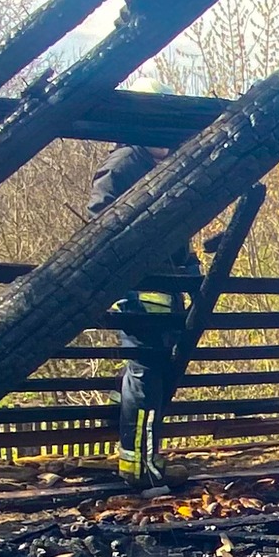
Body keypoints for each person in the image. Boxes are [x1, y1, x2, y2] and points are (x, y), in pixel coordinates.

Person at [86, 143, 200, 483]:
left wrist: (188, 269)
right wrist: (142, 258)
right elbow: (102, 217)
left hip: (163, 293)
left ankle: (140, 461)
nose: (165, 142)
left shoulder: (161, 165)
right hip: (139, 293)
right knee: (145, 377)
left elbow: (177, 235)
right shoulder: (125, 163)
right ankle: (141, 468)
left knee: (152, 376)